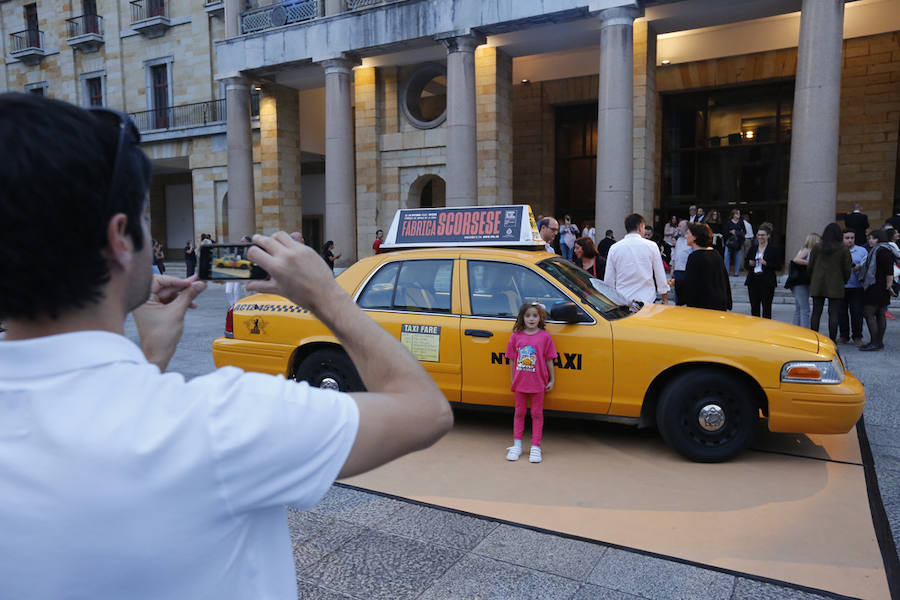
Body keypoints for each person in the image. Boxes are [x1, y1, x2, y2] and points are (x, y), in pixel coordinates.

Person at [0, 93, 452, 599]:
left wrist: (151, 361)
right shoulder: (220, 423)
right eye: (147, 219)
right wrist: (327, 296)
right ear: (121, 240)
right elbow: (425, 410)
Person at [504, 301, 557, 464]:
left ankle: (535, 447)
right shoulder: (516, 336)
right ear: (522, 317)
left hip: (538, 384)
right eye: (528, 316)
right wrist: (513, 378)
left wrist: (552, 379)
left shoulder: (545, 337)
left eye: (535, 316)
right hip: (520, 384)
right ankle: (517, 445)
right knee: (519, 413)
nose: (532, 319)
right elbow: (512, 360)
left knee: (536, 414)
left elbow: (549, 360)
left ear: (540, 318)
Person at [604, 213, 669, 305]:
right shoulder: (651, 246)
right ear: (640, 227)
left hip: (622, 299)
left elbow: (608, 280)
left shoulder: (614, 248)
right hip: (647, 298)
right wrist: (664, 298)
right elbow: (660, 274)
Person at [808, 223, 852, 341]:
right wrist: (844, 280)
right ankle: (832, 341)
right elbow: (847, 269)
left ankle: (814, 340)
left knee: (816, 313)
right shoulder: (843, 249)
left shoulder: (817, 247)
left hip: (818, 283)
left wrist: (813, 278)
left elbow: (810, 265)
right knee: (833, 314)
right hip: (836, 283)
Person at [861, 229, 900, 350]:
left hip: (877, 287)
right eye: (869, 238)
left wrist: (889, 286)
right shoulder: (880, 250)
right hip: (879, 286)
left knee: (869, 313)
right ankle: (878, 342)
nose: (870, 241)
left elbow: (889, 271)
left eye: (873, 238)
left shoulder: (882, 251)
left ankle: (875, 342)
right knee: (879, 314)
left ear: (880, 239)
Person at [679, 223, 731, 311]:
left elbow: (691, 284)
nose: (685, 236)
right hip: (718, 303)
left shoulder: (694, 257)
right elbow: (724, 280)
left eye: (688, 233)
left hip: (702, 306)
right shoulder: (716, 254)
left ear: (695, 237)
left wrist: (676, 283)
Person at [744, 224, 782, 319]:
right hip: (753, 280)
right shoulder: (753, 249)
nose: (760, 237)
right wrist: (750, 264)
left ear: (768, 236)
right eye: (759, 235)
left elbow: (778, 266)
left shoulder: (773, 249)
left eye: (763, 235)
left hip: (767, 281)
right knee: (754, 307)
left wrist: (766, 263)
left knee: (766, 308)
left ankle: (766, 330)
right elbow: (746, 264)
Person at [837, 229, 868, 345]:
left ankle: (857, 336)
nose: (850, 240)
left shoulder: (862, 251)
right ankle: (844, 335)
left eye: (852, 238)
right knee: (841, 312)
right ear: (842, 238)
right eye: (847, 238)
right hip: (841, 286)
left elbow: (868, 266)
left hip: (857, 286)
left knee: (857, 312)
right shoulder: (838, 250)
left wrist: (860, 267)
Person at [785, 233, 820, 328]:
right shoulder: (807, 250)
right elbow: (796, 260)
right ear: (813, 241)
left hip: (801, 282)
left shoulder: (808, 251)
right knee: (805, 309)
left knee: (799, 308)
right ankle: (805, 331)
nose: (820, 242)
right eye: (818, 240)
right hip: (800, 282)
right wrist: (811, 263)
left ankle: (796, 330)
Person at [669, 220, 691, 305]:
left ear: (686, 228)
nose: (678, 228)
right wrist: (672, 268)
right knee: (678, 295)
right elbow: (675, 255)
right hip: (678, 270)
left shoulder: (691, 240)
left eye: (680, 226)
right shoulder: (678, 240)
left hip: (687, 270)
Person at [724, 209, 745, 276]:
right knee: (727, 256)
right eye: (737, 213)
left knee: (737, 256)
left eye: (739, 213)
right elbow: (724, 232)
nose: (738, 214)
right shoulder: (728, 222)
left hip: (738, 241)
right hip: (729, 241)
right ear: (733, 214)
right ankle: (726, 272)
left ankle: (736, 273)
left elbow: (744, 232)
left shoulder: (741, 222)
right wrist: (730, 232)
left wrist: (736, 232)